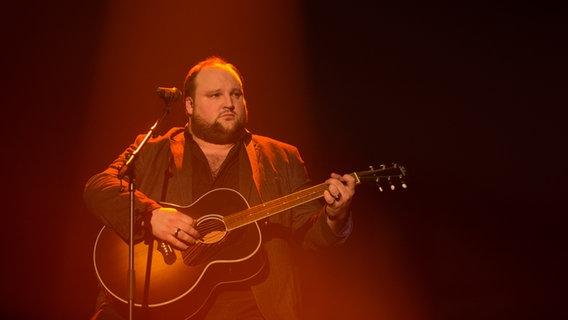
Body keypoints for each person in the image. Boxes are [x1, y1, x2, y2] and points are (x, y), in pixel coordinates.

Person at [84, 56, 356, 320]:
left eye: (236, 94)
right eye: (215, 95)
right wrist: (150, 216)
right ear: (188, 105)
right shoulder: (153, 149)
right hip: (161, 302)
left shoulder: (282, 158)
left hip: (252, 306)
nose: (229, 103)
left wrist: (336, 217)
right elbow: (98, 187)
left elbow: (310, 233)